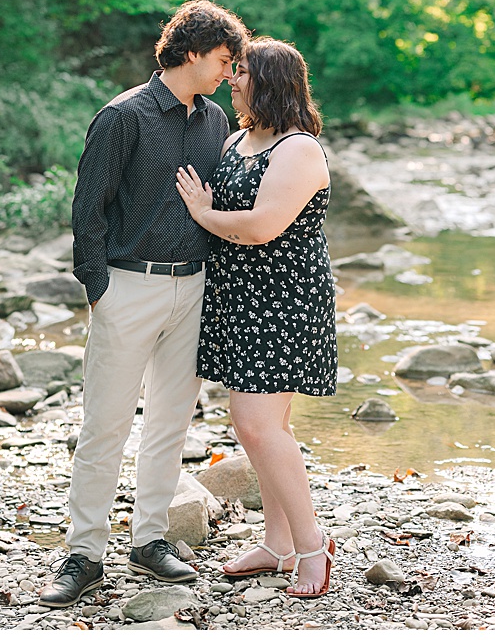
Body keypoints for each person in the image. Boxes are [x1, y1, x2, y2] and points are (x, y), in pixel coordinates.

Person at [39, 0, 248, 608]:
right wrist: (97, 289)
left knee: (169, 423)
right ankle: (84, 554)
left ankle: (150, 539)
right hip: (127, 286)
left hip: (195, 286)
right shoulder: (122, 116)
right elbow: (88, 207)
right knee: (104, 424)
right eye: (222, 60)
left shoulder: (214, 123)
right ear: (189, 52)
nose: (228, 74)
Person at [174, 36, 336, 598]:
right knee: (268, 428)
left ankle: (313, 546)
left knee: (256, 424)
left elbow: (263, 226)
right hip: (242, 300)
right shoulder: (240, 138)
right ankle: (278, 542)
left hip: (285, 302)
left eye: (242, 72)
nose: (232, 79)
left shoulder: (299, 148)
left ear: (269, 81)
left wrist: (203, 211)